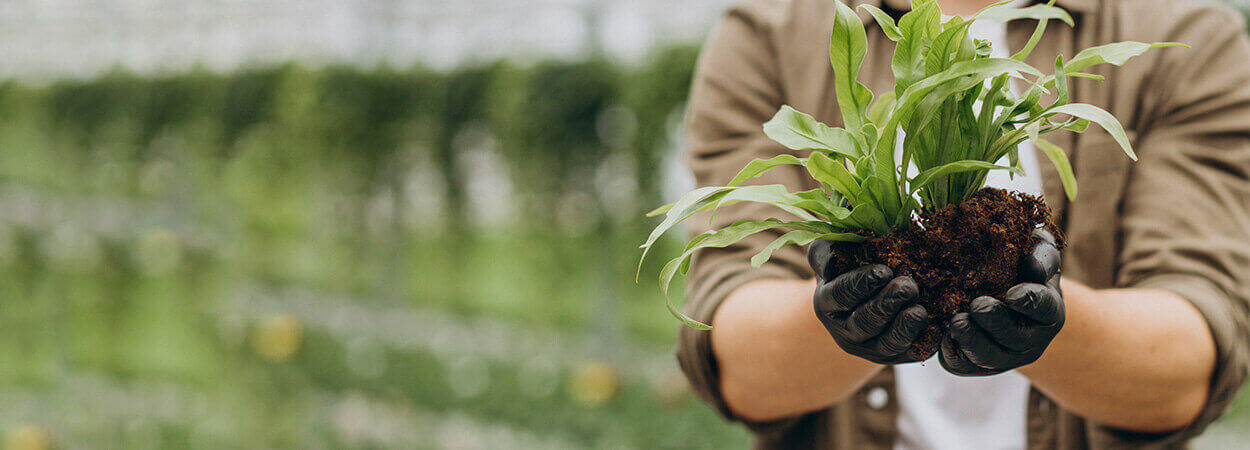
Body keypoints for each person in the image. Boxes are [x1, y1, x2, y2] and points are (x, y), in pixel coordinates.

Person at [674, 0, 1250, 448]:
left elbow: (1187, 362)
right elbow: (736, 359)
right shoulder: (770, 31)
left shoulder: (1189, 36)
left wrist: (1038, 312)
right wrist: (846, 310)